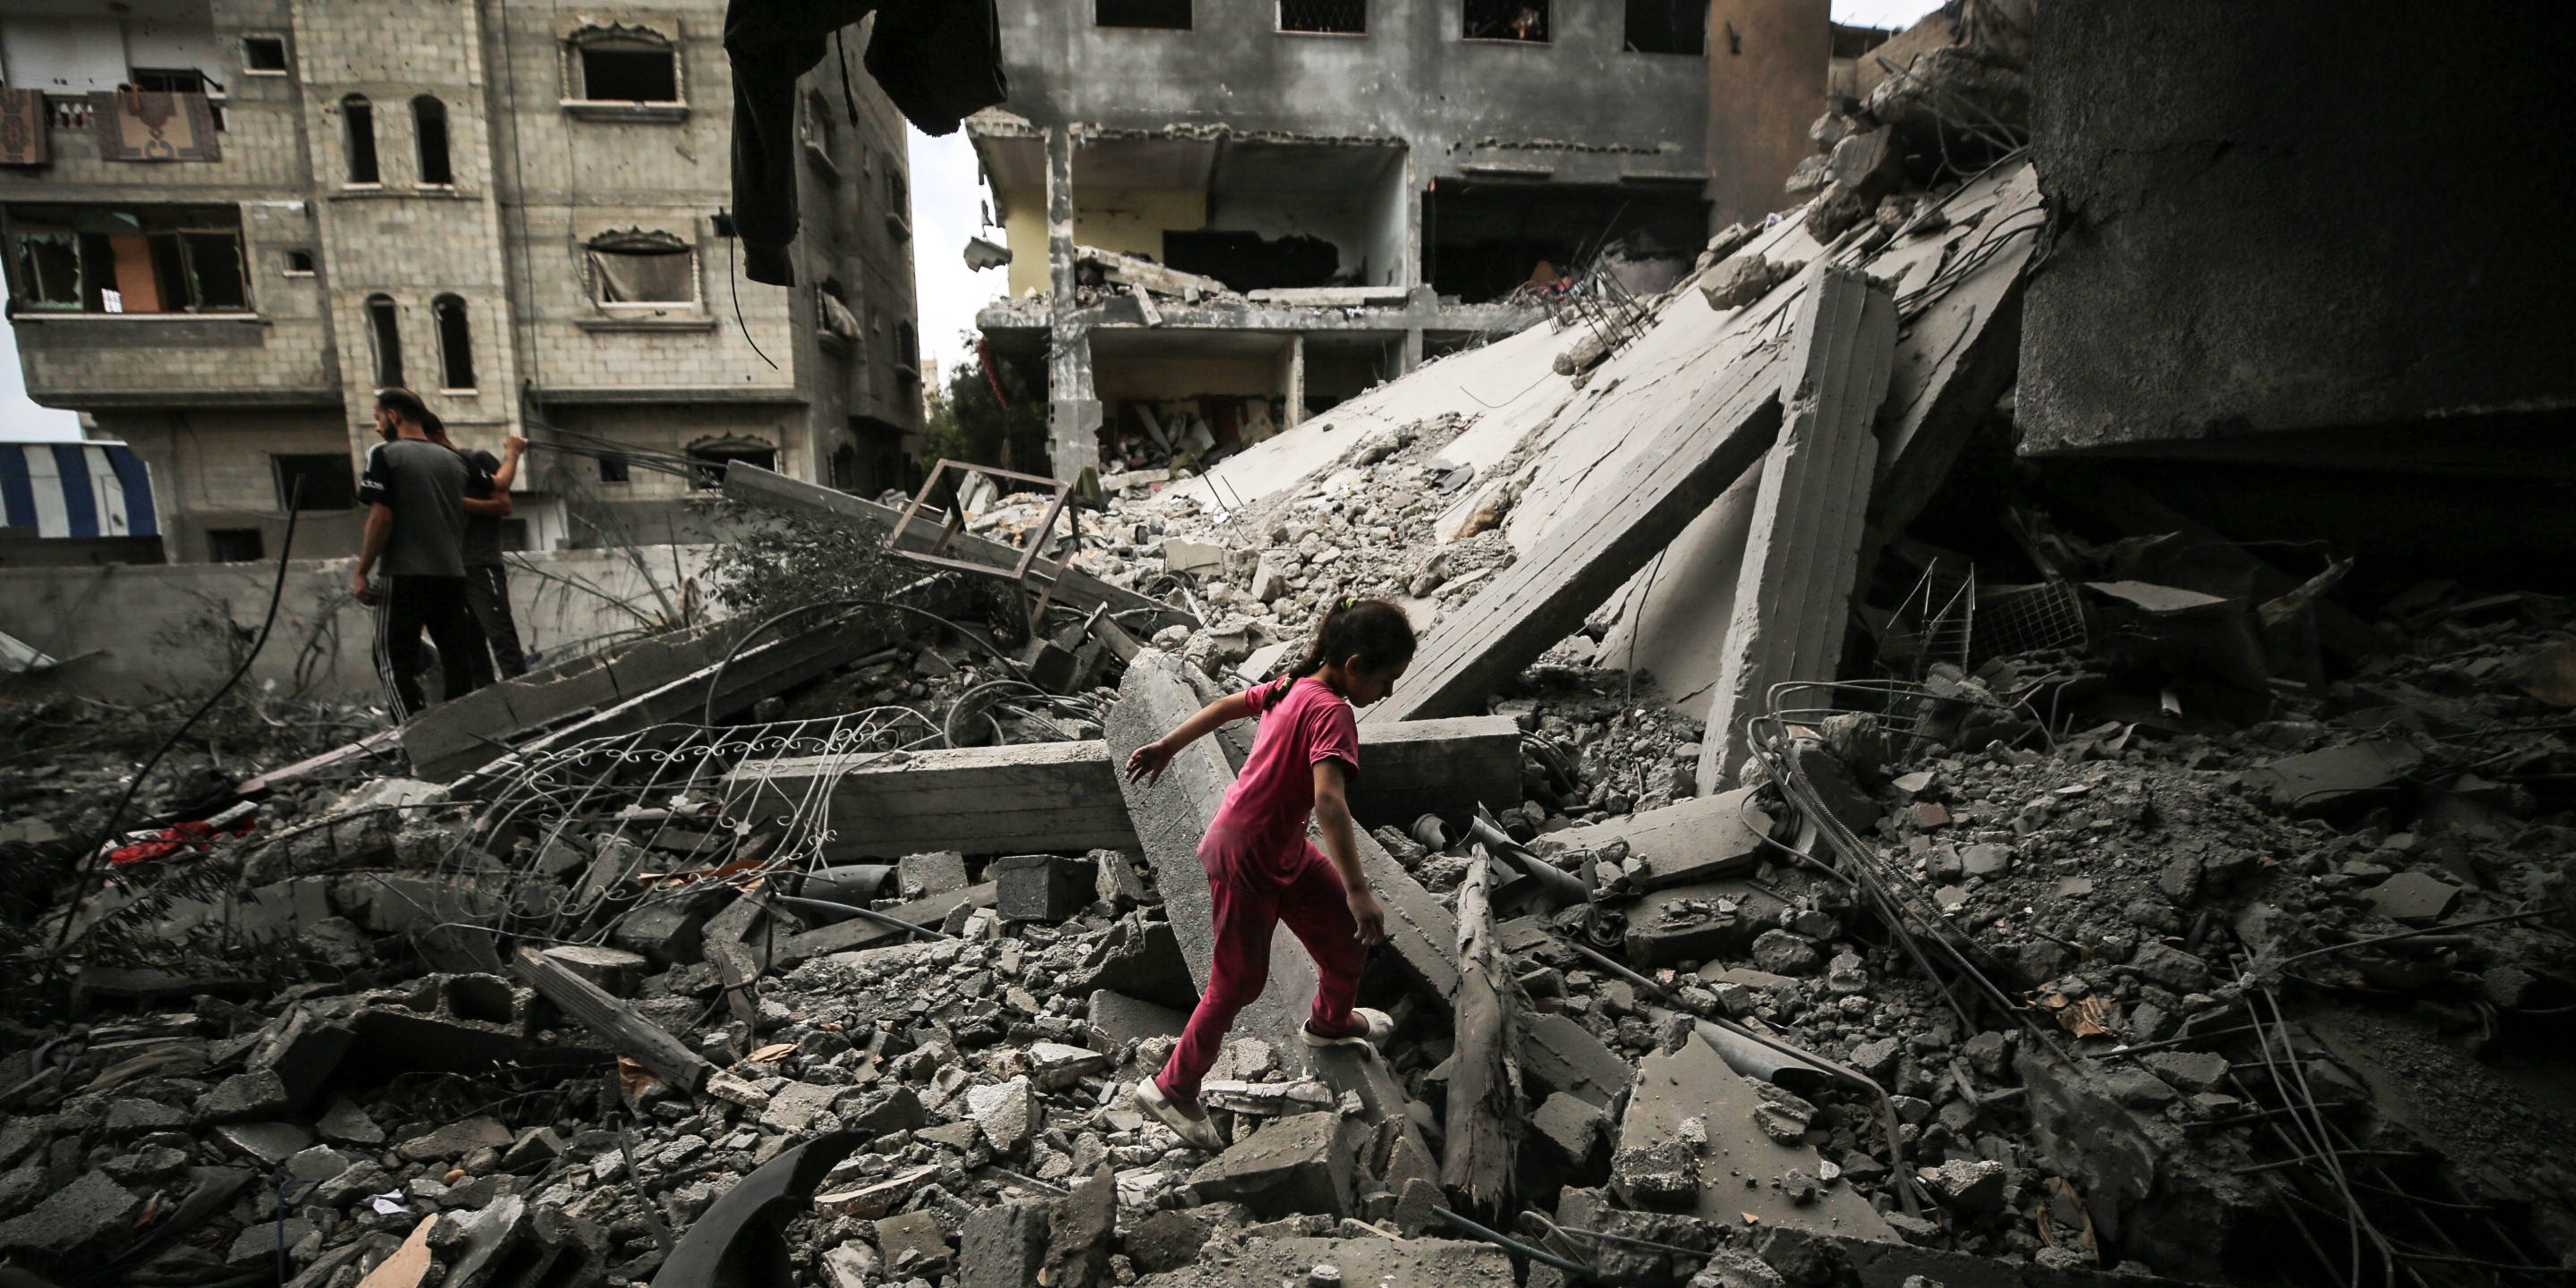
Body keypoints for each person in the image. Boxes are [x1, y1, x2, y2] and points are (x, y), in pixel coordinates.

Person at [1120, 598, 1418, 1149]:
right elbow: (1329, 802)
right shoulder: (1331, 710)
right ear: (1353, 666)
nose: (1388, 693)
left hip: (1281, 849)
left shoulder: (1296, 684)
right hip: (1245, 859)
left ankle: (1329, 1025)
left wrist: (1169, 743)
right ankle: (1172, 1087)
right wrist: (1359, 890)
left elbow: (1230, 705)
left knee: (1344, 944)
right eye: (1386, 679)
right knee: (1238, 982)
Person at [352, 388, 495, 720]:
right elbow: (493, 487)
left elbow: (380, 518)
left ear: (394, 416)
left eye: (377, 418)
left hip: (404, 574)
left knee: (391, 659)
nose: (376, 427)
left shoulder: (384, 454)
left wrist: (362, 571)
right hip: (451, 575)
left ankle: (413, 736)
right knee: (456, 657)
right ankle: (461, 730)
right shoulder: (455, 459)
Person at [425, 417, 532, 678]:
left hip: (481, 563)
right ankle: (492, 709)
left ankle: (528, 705)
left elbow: (503, 505)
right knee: (470, 648)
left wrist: (456, 503)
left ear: (438, 435)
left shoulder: (475, 460)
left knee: (502, 639)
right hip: (450, 569)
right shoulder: (432, 472)